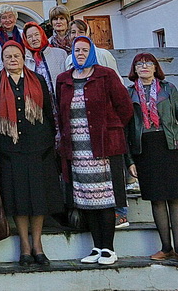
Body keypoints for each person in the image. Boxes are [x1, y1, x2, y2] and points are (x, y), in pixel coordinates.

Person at [0, 41, 63, 267]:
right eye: (8, 56)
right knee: (19, 200)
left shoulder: (38, 80)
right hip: (9, 152)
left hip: (39, 150)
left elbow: (48, 113)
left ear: (23, 57)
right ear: (2, 60)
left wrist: (49, 142)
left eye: (16, 55)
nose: (12, 59)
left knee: (38, 199)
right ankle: (25, 247)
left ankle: (38, 245)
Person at [56, 36, 132, 266]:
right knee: (86, 198)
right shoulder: (63, 79)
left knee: (105, 199)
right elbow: (60, 111)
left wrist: (111, 129)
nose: (80, 54)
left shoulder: (105, 75)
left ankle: (108, 249)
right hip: (77, 150)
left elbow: (125, 107)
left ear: (92, 53)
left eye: (84, 50)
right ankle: (97, 247)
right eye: (77, 50)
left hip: (103, 148)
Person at [125, 53, 178, 262]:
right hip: (145, 149)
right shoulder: (129, 93)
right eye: (139, 64)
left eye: (148, 63)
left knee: (176, 197)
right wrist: (130, 161)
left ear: (156, 67)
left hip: (172, 146)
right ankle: (166, 248)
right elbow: (126, 130)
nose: (144, 67)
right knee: (156, 199)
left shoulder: (168, 89)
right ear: (134, 69)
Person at [22, 21, 66, 102]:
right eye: (29, 37)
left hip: (59, 100)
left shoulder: (60, 54)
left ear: (42, 35)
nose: (34, 39)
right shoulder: (24, 60)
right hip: (37, 103)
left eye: (36, 34)